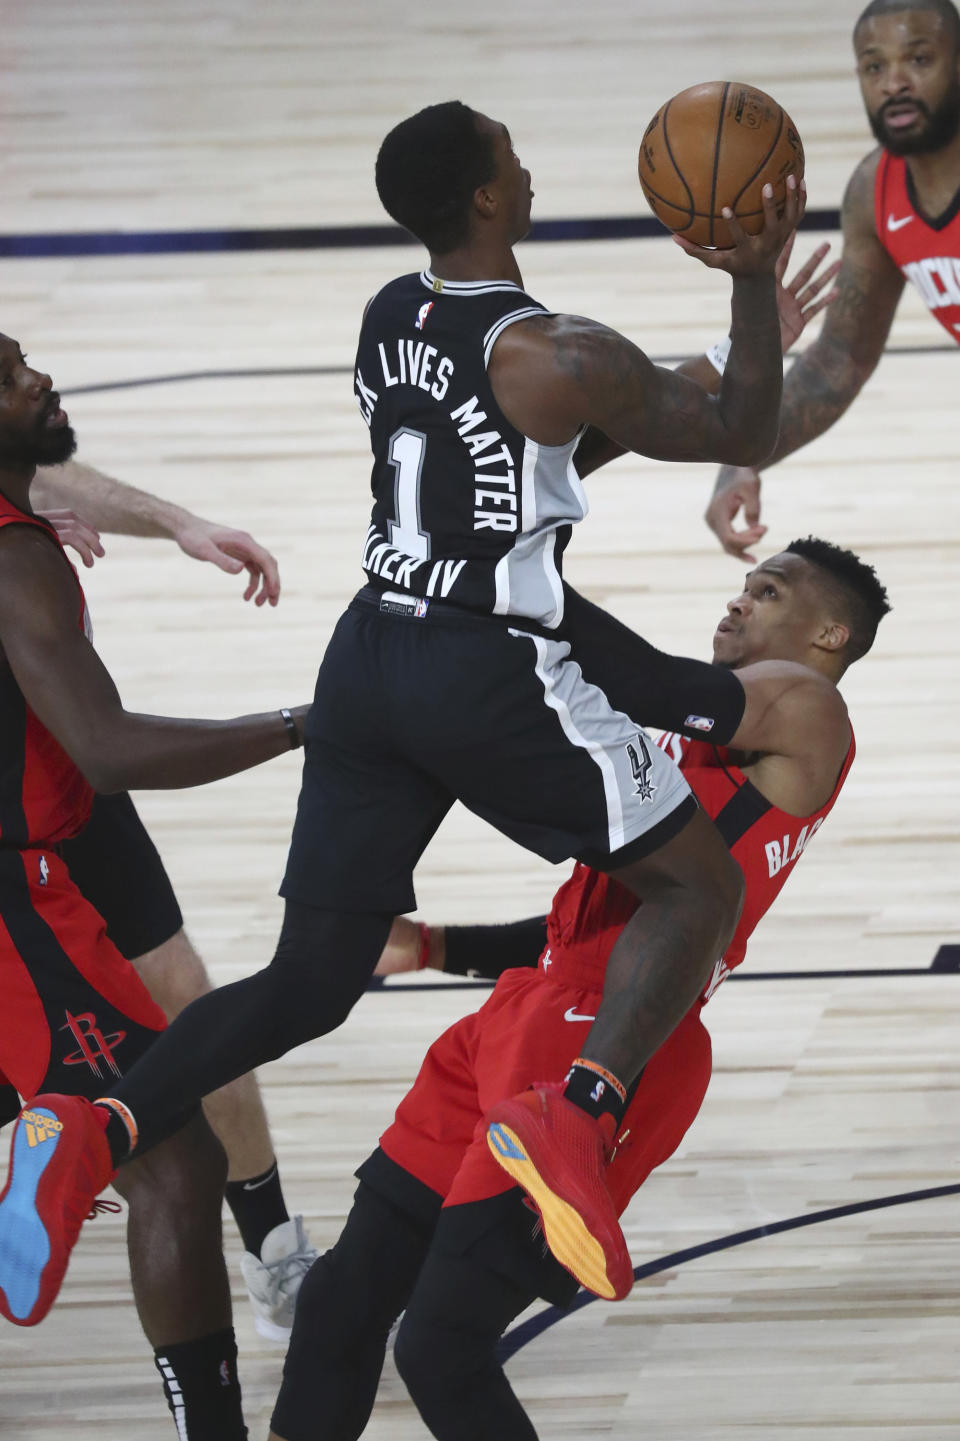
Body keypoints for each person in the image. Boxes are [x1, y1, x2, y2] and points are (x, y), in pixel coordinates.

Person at [2, 98, 804, 1318]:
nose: (529, 170)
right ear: (486, 199)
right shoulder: (561, 351)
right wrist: (751, 284)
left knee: (307, 981)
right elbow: (745, 423)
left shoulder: (389, 315)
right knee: (700, 886)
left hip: (368, 654)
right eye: (512, 159)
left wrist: (645, 398)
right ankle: (577, 1118)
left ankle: (92, 1126)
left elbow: (505, 465)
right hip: (484, 671)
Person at [268, 538, 891, 1441]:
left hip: (615, 1042)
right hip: (533, 1006)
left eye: (768, 591)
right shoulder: (702, 737)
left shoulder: (810, 710)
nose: (738, 602)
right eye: (743, 586)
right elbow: (594, 927)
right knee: (339, 1298)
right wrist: (437, 945)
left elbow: (644, 686)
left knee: (441, 1346)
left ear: (831, 632)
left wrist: (500, 575)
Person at [0, 333, 308, 1439]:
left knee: (177, 1017)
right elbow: (110, 744)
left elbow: (43, 461)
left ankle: (265, 1241)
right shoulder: (17, 557)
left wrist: (165, 521)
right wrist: (298, 726)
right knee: (166, 1153)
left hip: (55, 826)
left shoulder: (22, 536)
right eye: (13, 373)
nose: (40, 377)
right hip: (24, 865)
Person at [706, 0, 960, 561]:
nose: (894, 82)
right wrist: (742, 455)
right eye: (874, 67)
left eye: (919, 58)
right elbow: (840, 358)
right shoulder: (876, 191)